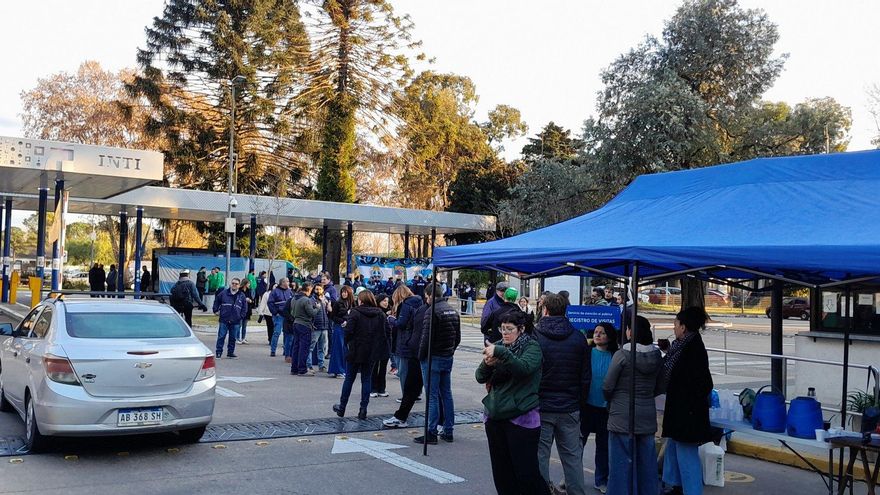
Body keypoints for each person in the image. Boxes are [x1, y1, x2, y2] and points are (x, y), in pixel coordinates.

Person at [476, 312, 550, 495]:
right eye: (502, 329)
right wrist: (488, 363)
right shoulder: (499, 346)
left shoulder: (532, 347)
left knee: (527, 473)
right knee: (502, 473)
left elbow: (523, 369)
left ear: (521, 329)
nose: (505, 333)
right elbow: (479, 376)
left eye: (510, 329)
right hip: (496, 415)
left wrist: (501, 353)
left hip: (521, 418)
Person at [534, 293, 590, 495]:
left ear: (545, 310)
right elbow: (585, 377)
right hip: (570, 405)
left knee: (540, 454)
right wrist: (579, 402)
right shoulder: (578, 337)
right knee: (572, 456)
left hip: (541, 405)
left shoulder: (536, 336)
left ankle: (541, 491)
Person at [603, 315, 663, 495]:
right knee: (647, 463)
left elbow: (607, 385)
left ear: (631, 332)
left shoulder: (622, 355)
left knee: (620, 464)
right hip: (647, 414)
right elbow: (660, 385)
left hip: (622, 414)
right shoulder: (656, 355)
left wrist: (611, 399)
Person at [661, 307, 713, 495]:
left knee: (686, 453)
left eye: (675, 324)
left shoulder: (692, 349)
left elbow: (703, 383)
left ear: (683, 327)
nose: (674, 328)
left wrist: (688, 402)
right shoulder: (682, 346)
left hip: (687, 411)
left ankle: (691, 490)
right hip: (681, 409)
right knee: (675, 449)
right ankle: (675, 485)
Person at [415, 284, 461, 444]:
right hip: (447, 356)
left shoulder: (431, 311)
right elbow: (458, 338)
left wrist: (420, 356)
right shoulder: (452, 310)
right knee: (446, 394)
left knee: (432, 396)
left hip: (433, 357)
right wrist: (450, 351)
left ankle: (431, 432)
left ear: (429, 295)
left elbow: (425, 339)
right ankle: (448, 430)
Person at [333, 289, 389, 420]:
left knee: (349, 379)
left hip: (355, 350)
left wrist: (349, 343)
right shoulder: (380, 314)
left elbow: (348, 331)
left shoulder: (355, 312)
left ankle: (342, 407)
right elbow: (385, 332)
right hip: (371, 351)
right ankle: (363, 409)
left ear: (361, 300)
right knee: (366, 379)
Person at [382, 288, 429, 429]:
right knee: (430, 389)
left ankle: (403, 416)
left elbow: (403, 325)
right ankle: (440, 423)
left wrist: (392, 319)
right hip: (421, 349)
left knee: (410, 381)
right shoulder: (422, 306)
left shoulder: (409, 306)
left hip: (413, 348)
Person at [582, 323, 619, 493]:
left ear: (609, 337)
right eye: (596, 332)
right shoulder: (587, 353)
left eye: (602, 333)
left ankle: (601, 479)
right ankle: (571, 477)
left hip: (606, 408)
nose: (598, 335)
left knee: (603, 447)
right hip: (587, 406)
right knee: (577, 444)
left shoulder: (615, 355)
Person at [390, 286, 424, 397]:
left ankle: (406, 396)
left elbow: (401, 323)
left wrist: (391, 319)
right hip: (416, 340)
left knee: (404, 371)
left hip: (404, 340)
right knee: (415, 370)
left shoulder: (405, 305)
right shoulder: (419, 303)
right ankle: (417, 393)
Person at [212, 278, 248, 359]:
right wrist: (215, 310)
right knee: (221, 336)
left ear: (239, 285)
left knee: (232, 337)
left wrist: (241, 316)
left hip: (235, 320)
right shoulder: (223, 293)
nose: (234, 285)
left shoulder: (241, 295)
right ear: (230, 284)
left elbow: (244, 307)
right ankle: (218, 352)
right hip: (224, 319)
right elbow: (217, 301)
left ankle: (230, 353)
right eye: (233, 283)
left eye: (236, 284)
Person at [290, 282, 317, 376]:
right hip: (305, 325)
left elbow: (292, 312)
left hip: (296, 323)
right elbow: (311, 313)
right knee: (304, 348)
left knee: (296, 347)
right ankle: (302, 369)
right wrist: (317, 308)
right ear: (309, 289)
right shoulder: (306, 300)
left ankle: (294, 369)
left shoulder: (294, 298)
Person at [329, 286, 355, 378]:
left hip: (349, 328)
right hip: (339, 327)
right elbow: (332, 316)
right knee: (338, 348)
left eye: (346, 292)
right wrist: (342, 321)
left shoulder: (353, 303)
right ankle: (338, 370)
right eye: (342, 292)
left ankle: (345, 369)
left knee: (347, 349)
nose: (344, 294)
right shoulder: (337, 303)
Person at [370, 294, 393, 396]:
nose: (386, 303)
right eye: (384, 301)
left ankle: (381, 389)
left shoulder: (386, 313)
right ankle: (373, 388)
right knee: (374, 367)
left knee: (383, 367)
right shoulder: (376, 313)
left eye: (387, 301)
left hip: (384, 343)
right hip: (376, 343)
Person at [267, 278, 293, 358]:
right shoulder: (275, 292)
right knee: (276, 332)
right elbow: (270, 303)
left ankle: (286, 351)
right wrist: (275, 312)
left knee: (287, 333)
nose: (288, 283)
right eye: (287, 281)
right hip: (279, 315)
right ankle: (273, 350)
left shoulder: (290, 291)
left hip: (287, 315)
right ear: (282, 283)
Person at [308, 284, 331, 372]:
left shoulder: (324, 299)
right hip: (316, 327)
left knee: (322, 348)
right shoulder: (312, 300)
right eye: (317, 289)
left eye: (320, 289)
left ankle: (321, 365)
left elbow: (328, 312)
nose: (318, 291)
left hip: (324, 326)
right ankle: (309, 365)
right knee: (311, 347)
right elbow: (310, 313)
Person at [237, 277, 254, 344]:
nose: (249, 284)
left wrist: (250, 300)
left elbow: (252, 299)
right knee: (239, 325)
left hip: (247, 309)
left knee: (244, 325)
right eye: (248, 283)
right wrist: (245, 299)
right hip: (240, 310)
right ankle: (237, 338)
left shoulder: (249, 290)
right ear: (245, 284)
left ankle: (243, 338)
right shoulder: (239, 291)